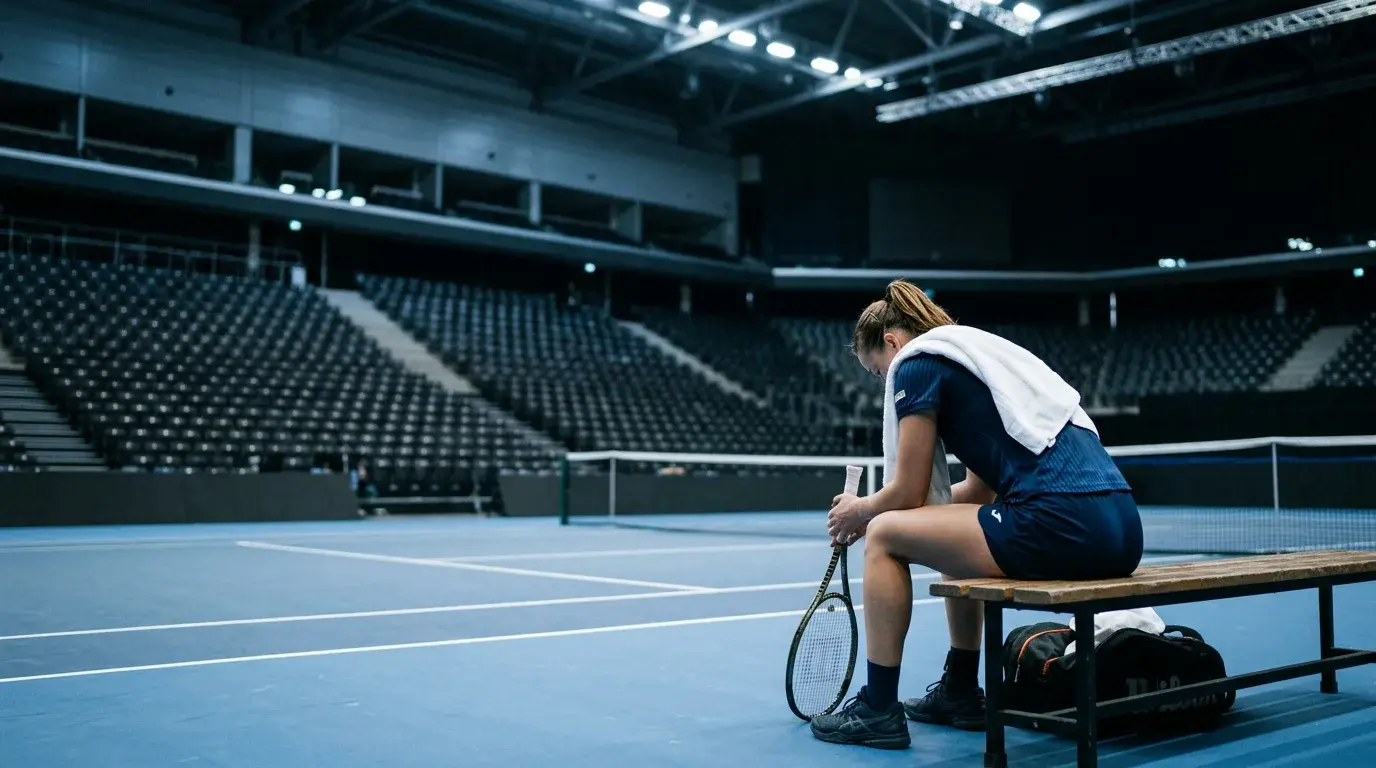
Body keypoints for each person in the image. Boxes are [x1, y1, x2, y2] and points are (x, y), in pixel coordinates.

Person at [809, 280, 1142, 750]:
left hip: (1062, 522)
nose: (884, 380)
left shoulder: (918, 362)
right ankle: (961, 692)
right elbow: (976, 492)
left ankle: (879, 709)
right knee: (953, 517)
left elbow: (907, 490)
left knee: (884, 535)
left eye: (876, 370)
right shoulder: (978, 357)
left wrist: (860, 512)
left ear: (891, 343)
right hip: (1124, 528)